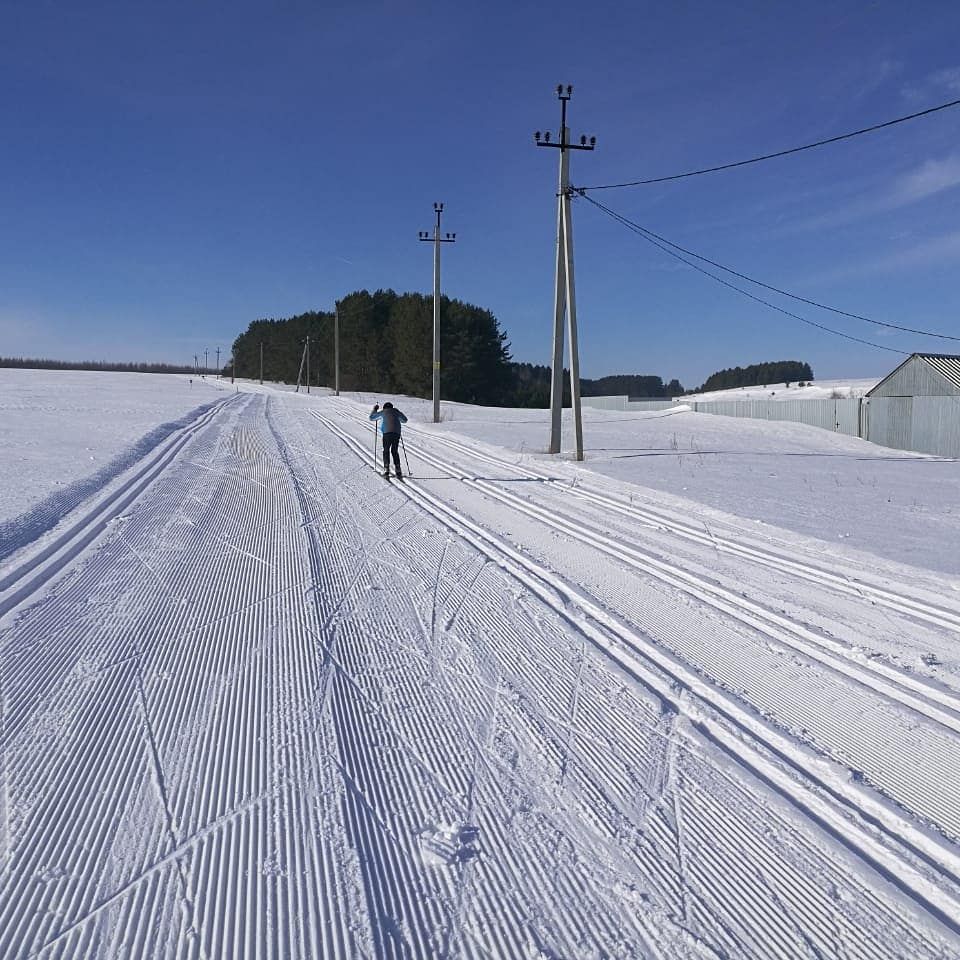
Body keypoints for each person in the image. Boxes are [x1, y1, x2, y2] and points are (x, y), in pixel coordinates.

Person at [369, 401, 408, 478]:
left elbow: (371, 418)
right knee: (394, 451)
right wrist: (398, 414)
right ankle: (398, 469)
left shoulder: (383, 412)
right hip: (396, 433)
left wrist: (375, 410)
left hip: (386, 433)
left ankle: (386, 468)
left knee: (386, 450)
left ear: (384, 408)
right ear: (392, 407)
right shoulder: (396, 411)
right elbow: (405, 420)